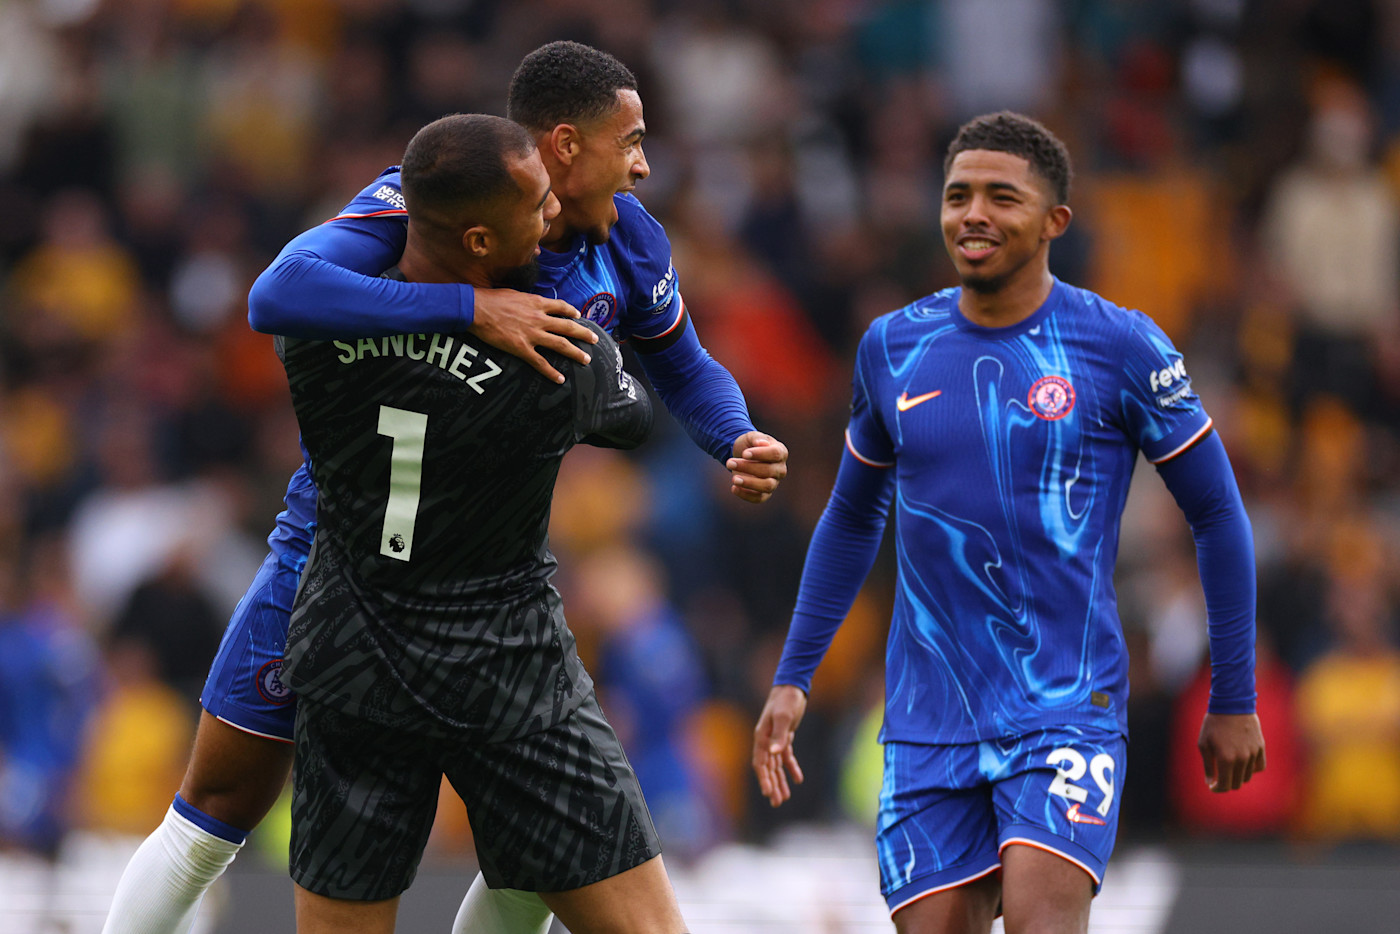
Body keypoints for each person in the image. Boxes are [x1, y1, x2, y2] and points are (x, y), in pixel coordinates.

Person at [101, 40, 785, 934]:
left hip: (491, 578)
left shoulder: (628, 242)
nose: (647, 163)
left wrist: (734, 435)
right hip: (335, 564)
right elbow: (277, 293)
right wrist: (470, 309)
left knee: (540, 848)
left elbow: (684, 369)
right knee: (216, 806)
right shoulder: (424, 204)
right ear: (566, 145)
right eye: (633, 139)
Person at [751, 111, 1265, 934]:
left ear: (1055, 221)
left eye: (1001, 197)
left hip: (1066, 706)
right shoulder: (893, 348)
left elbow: (1217, 511)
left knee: (1041, 919)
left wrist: (1233, 694)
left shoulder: (1120, 347)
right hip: (927, 722)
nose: (973, 215)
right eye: (957, 196)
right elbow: (852, 517)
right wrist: (794, 674)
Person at [279, 111, 688, 934]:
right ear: (476, 240)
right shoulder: (554, 353)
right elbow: (636, 419)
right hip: (509, 665)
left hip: (353, 653)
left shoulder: (311, 332)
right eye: (536, 206)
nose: (553, 217)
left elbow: (288, 285)